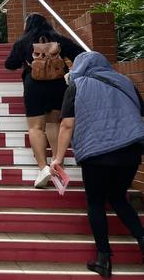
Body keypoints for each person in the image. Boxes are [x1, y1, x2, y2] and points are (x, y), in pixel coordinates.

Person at [50, 51, 144, 277]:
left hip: (97, 152)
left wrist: (58, 159)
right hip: (130, 150)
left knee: (95, 202)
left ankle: (103, 258)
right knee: (118, 197)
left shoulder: (77, 85)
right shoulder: (125, 81)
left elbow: (67, 125)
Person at [4, 13, 84, 188]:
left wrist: (26, 61)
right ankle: (58, 163)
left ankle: (43, 168)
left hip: (34, 86)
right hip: (58, 84)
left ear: (28, 25)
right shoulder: (58, 38)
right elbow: (81, 54)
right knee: (54, 124)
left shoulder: (23, 42)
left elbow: (9, 64)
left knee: (36, 127)